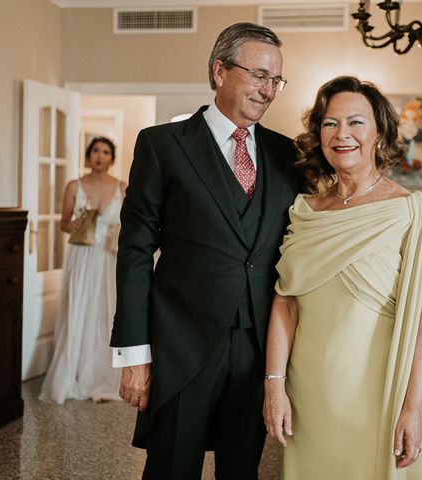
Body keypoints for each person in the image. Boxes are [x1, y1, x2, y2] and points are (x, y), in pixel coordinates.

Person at [110, 22, 299, 479]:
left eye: (276, 80)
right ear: (219, 71)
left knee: (242, 471)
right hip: (182, 345)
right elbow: (135, 250)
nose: (268, 90)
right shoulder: (161, 146)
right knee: (172, 467)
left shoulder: (287, 155)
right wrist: (135, 355)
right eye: (259, 75)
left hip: (257, 350)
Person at [263, 76, 422, 480]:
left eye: (356, 122)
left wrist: (413, 409)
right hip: (309, 393)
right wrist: (274, 385)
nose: (341, 134)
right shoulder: (304, 211)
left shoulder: (412, 212)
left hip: (377, 393)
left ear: (380, 133)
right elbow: (286, 303)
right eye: (330, 123)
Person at [40, 136, 126, 404]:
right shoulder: (74, 186)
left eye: (106, 152)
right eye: (95, 151)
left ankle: (103, 377)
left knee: (105, 313)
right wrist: (73, 224)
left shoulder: (122, 187)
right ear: (88, 156)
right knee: (79, 309)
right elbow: (63, 224)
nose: (100, 156)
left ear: (112, 158)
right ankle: (74, 376)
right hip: (81, 256)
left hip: (109, 257)